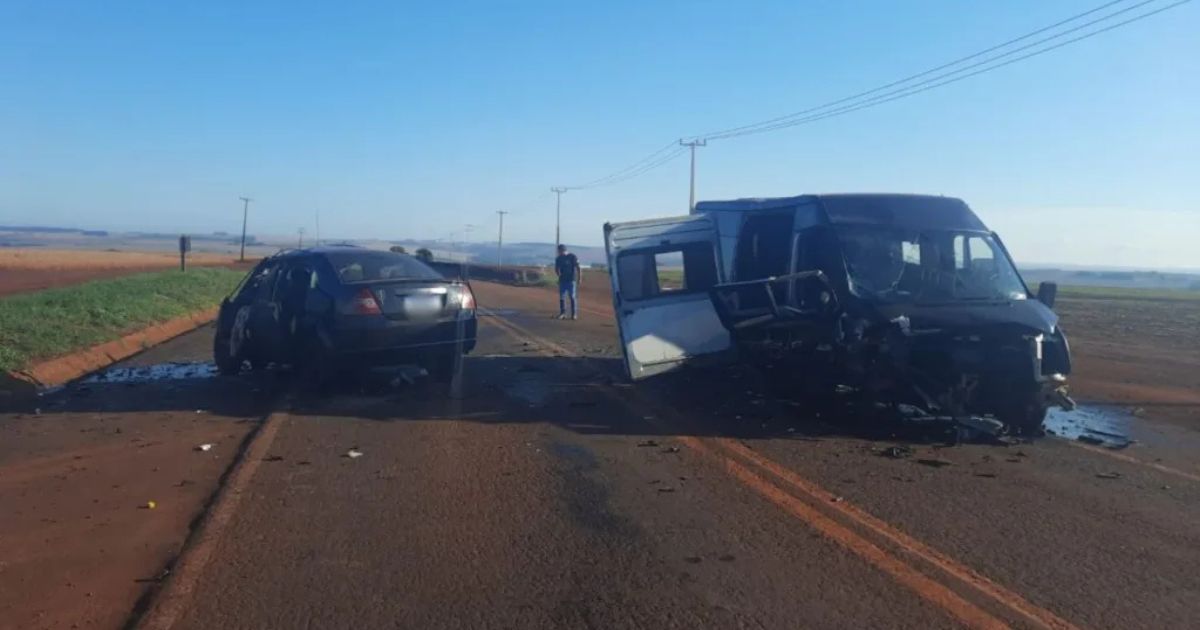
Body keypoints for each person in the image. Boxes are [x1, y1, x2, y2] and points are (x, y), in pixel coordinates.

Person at [554, 243, 581, 320]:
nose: (558, 252)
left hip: (571, 280)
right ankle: (562, 313)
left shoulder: (572, 257)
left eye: (559, 251)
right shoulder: (558, 258)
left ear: (562, 250)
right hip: (562, 280)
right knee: (562, 297)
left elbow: (578, 267)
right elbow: (556, 268)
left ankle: (574, 314)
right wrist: (559, 275)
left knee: (572, 297)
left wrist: (579, 278)